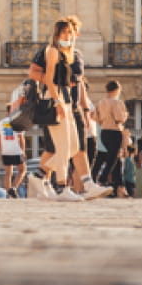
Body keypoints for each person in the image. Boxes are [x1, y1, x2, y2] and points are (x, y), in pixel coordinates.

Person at [36, 19, 87, 202]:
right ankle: (63, 187)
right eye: (63, 32)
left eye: (70, 32)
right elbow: (49, 79)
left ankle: (39, 175)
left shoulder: (68, 54)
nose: (67, 36)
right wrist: (57, 103)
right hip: (54, 100)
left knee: (73, 147)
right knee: (64, 147)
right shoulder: (53, 51)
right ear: (57, 34)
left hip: (65, 101)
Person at [94, 82, 129, 197]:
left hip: (104, 131)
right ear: (116, 90)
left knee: (116, 159)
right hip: (115, 131)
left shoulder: (101, 102)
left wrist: (103, 122)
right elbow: (119, 118)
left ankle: (120, 186)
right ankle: (102, 180)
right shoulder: (117, 102)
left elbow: (94, 117)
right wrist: (125, 115)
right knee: (112, 159)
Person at [0, 114, 25, 192]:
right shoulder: (19, 122)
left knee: (8, 173)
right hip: (16, 150)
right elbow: (21, 138)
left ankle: (8, 193)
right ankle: (14, 188)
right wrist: (23, 151)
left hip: (5, 151)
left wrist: (1, 150)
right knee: (22, 170)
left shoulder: (1, 122)